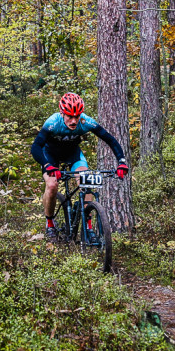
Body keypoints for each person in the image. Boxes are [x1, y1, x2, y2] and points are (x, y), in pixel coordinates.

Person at [31, 92, 128, 240]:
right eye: (69, 116)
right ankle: (50, 223)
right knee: (51, 185)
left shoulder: (85, 122)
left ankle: (88, 227)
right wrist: (47, 165)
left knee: (87, 180)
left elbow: (110, 140)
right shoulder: (53, 122)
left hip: (73, 155)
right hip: (50, 155)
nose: (74, 120)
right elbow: (36, 147)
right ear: (62, 113)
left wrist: (121, 162)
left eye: (77, 116)